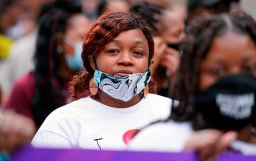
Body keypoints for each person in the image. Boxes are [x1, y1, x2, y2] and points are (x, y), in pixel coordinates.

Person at [32, 12, 172, 150]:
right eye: (113, 51)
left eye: (137, 52)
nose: (126, 60)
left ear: (149, 62)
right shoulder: (63, 124)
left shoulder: (173, 114)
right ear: (92, 60)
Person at [128, 13, 256, 159]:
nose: (235, 81)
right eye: (216, 71)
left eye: (249, 69)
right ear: (193, 76)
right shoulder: (156, 142)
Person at [0, 0, 92, 153]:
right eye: (81, 37)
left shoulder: (96, 85)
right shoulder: (27, 86)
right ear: (59, 42)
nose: (88, 45)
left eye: (91, 37)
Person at [131, 1, 184, 97]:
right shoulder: (128, 72)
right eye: (177, 34)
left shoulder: (177, 69)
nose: (183, 39)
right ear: (153, 39)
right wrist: (150, 68)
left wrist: (177, 81)